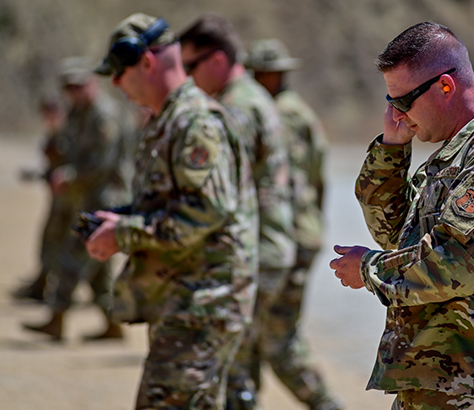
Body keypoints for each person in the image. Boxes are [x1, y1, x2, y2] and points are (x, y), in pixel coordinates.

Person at [329, 22, 474, 410]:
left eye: (403, 102)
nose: (397, 114)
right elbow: (395, 235)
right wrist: (391, 149)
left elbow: (458, 263)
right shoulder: (459, 152)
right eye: (390, 103)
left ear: (445, 87)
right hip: (444, 385)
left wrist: (370, 270)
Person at [86, 13, 259, 409]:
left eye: (118, 71)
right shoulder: (169, 120)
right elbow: (170, 202)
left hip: (203, 302)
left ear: (145, 61)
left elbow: (206, 212)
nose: (114, 83)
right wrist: (121, 219)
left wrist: (123, 234)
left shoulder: (195, 121)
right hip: (185, 297)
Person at [178, 15, 299, 410]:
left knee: (230, 366)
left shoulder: (237, 108)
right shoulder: (247, 99)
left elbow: (220, 195)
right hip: (267, 248)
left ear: (216, 60)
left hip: (253, 253)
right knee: (241, 360)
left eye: (190, 67)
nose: (187, 78)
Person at [244, 39, 342, 410]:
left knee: (275, 339)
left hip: (284, 240)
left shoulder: (281, 116)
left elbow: (284, 186)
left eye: (258, 74)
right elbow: (317, 183)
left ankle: (325, 403)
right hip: (293, 236)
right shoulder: (293, 111)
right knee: (254, 335)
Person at [21, 56, 135, 341]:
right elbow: (65, 151)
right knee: (96, 268)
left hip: (105, 199)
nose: (73, 92)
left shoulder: (104, 115)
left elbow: (101, 165)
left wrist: (69, 176)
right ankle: (113, 324)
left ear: (91, 83)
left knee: (73, 256)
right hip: (84, 199)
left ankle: (56, 318)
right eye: (68, 87)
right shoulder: (76, 114)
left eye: (78, 85)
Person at [12, 95, 67, 303]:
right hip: (59, 197)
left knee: (65, 243)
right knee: (50, 240)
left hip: (71, 199)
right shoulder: (55, 134)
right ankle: (42, 283)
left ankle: (52, 288)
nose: (49, 117)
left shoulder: (69, 133)